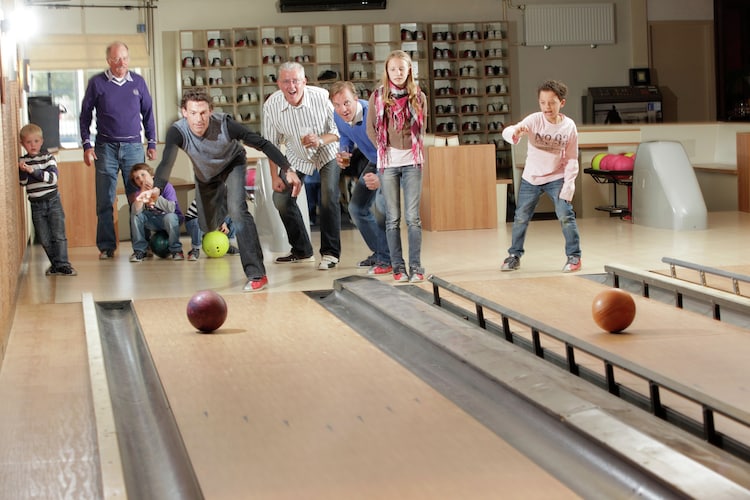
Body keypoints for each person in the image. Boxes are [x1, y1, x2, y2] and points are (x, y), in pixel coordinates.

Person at [147, 88, 297, 292]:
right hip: (205, 175)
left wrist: (287, 169)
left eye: (203, 113)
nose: (198, 119)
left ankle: (257, 274)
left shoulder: (226, 124)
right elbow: (166, 163)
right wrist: (156, 189)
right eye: (193, 113)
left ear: (210, 111)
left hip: (232, 164)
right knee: (207, 225)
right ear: (184, 112)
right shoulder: (177, 131)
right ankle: (225, 199)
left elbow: (262, 143)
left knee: (238, 211)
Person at [80, 40, 157, 260]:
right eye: (116, 59)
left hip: (133, 147)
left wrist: (151, 143)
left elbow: (149, 114)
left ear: (129, 59)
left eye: (124, 58)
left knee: (139, 198)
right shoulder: (97, 83)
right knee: (105, 199)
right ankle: (106, 247)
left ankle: (141, 247)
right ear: (108, 61)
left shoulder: (139, 82)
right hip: (105, 148)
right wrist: (87, 145)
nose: (121, 63)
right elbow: (85, 116)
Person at [262, 61, 342, 270]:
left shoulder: (322, 97)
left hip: (327, 151)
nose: (292, 87)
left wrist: (320, 140)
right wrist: (275, 176)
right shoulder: (271, 106)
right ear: (278, 84)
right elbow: (270, 145)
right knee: (281, 199)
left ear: (304, 82)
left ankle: (330, 253)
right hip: (296, 156)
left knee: (328, 196)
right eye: (286, 81)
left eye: (296, 81)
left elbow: (336, 132)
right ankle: (302, 251)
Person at [500, 79, 582, 273]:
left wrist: (569, 185)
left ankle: (574, 257)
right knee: (520, 217)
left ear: (561, 103)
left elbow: (572, 158)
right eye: (543, 102)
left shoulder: (569, 126)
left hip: (557, 177)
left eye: (552, 102)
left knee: (565, 215)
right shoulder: (534, 119)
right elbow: (508, 131)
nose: (547, 107)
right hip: (532, 178)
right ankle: (514, 255)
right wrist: (515, 132)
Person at [367, 50, 428, 283]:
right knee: (392, 218)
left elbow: (422, 128)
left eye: (402, 68)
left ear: (409, 70)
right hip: (388, 163)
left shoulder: (419, 96)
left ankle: (416, 267)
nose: (398, 73)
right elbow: (371, 129)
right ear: (387, 71)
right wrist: (384, 150)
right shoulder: (378, 96)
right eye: (393, 69)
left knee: (413, 218)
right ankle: (398, 268)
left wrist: (412, 150)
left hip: (413, 161)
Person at [329, 80, 391, 275]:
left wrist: (383, 177)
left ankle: (388, 259)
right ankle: (380, 253)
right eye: (337, 105)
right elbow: (345, 136)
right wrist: (344, 152)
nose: (342, 109)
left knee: (382, 209)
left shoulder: (373, 113)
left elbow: (392, 145)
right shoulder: (338, 116)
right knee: (356, 208)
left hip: (390, 162)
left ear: (356, 99)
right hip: (373, 161)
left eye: (347, 103)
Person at [18, 123, 77, 277]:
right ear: (22, 144)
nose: (33, 145)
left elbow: (52, 178)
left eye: (36, 141)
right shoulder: (23, 161)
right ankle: (56, 264)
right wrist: (23, 171)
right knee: (44, 238)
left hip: (53, 201)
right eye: (28, 142)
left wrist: (32, 170)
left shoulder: (47, 158)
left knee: (58, 235)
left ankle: (64, 265)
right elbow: (23, 183)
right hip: (36, 205)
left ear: (42, 141)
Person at [128, 163, 184, 262]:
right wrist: (142, 194)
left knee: (170, 217)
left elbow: (171, 209)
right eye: (137, 178)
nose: (141, 179)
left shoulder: (166, 186)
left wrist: (155, 198)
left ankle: (176, 250)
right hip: (155, 220)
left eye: (143, 175)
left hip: (171, 218)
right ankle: (140, 250)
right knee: (136, 215)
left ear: (152, 176)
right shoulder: (140, 192)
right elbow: (136, 211)